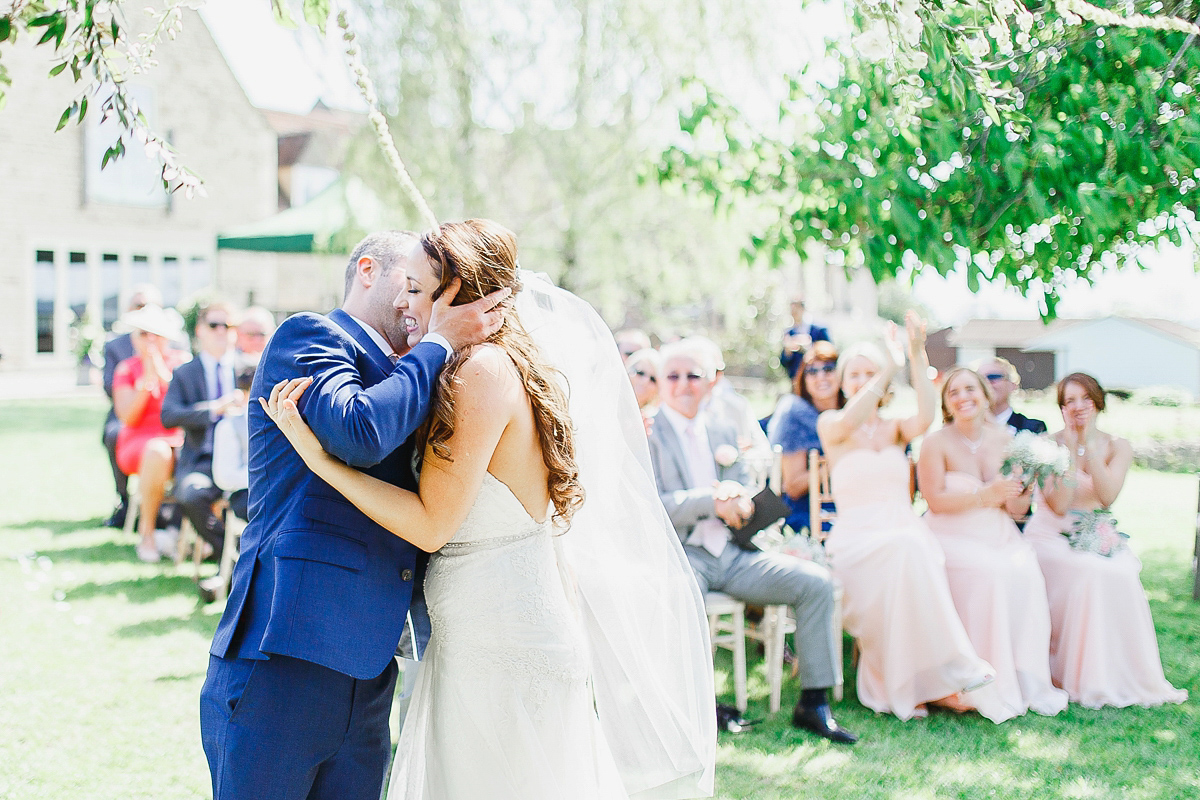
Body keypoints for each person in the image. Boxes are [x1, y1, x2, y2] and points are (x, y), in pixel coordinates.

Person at [258, 220, 715, 800]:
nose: (404, 300)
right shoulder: (493, 366)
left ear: (461, 296)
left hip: (499, 642)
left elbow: (431, 525)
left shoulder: (479, 372)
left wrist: (320, 461)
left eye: (420, 289)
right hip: (485, 630)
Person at [200, 230, 508, 800]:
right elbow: (359, 431)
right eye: (412, 285)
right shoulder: (310, 335)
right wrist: (438, 345)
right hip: (284, 653)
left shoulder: (419, 373)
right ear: (368, 270)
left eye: (435, 292)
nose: (422, 304)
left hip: (370, 669)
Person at [647, 337, 854, 744]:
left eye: (694, 375)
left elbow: (743, 479)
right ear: (660, 381)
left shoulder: (725, 427)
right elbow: (649, 505)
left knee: (816, 584)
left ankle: (814, 703)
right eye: (673, 376)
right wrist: (712, 501)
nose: (684, 384)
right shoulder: (645, 433)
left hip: (735, 553)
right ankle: (696, 704)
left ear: (711, 382)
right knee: (678, 597)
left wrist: (741, 497)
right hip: (682, 554)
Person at [817, 313, 1003, 721]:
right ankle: (939, 675)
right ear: (844, 382)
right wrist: (887, 366)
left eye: (871, 372)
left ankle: (933, 682)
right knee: (908, 550)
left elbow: (926, 415)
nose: (865, 380)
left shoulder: (895, 429)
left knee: (913, 548)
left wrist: (915, 354)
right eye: (856, 373)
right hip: (856, 539)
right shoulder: (833, 426)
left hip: (902, 530)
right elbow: (851, 417)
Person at [1024, 372, 1188, 708]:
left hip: (1094, 534)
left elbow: (1107, 495)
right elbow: (1058, 506)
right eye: (1069, 401)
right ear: (1061, 408)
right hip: (1050, 535)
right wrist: (1070, 450)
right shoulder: (1048, 445)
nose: (1078, 407)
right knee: (1087, 573)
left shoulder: (1118, 445)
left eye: (1085, 398)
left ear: (1098, 402)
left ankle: (1114, 673)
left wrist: (1091, 449)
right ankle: (1070, 674)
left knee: (1123, 572)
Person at [918, 367, 1069, 719]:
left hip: (999, 533)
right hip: (949, 532)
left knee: (1026, 570)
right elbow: (935, 500)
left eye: (970, 389)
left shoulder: (1008, 440)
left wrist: (1024, 489)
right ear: (946, 403)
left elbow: (1016, 511)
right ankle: (977, 677)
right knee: (989, 573)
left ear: (986, 396)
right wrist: (984, 496)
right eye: (953, 392)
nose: (963, 397)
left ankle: (1018, 676)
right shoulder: (935, 442)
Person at [160, 301, 245, 562]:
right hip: (202, 461)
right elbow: (168, 415)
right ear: (200, 330)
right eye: (213, 325)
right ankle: (230, 559)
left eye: (227, 325)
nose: (221, 331)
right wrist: (214, 409)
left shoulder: (250, 367)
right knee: (190, 494)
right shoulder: (186, 372)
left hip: (244, 461)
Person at [110, 304, 190, 562]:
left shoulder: (181, 362)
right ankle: (147, 534)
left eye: (156, 334)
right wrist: (146, 380)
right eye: (144, 333)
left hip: (178, 436)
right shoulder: (126, 369)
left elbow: (183, 403)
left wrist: (160, 371)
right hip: (140, 440)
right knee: (157, 451)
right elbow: (128, 417)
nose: (150, 340)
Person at [101, 284, 163, 528]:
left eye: (150, 305)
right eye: (139, 305)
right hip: (126, 408)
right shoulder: (116, 346)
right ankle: (124, 498)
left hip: (163, 414)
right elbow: (109, 388)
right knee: (114, 434)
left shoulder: (172, 345)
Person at [768, 341, 844, 535]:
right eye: (812, 372)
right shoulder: (795, 417)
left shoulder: (853, 414)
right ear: (803, 378)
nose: (821, 377)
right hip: (809, 511)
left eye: (828, 369)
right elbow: (793, 486)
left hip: (853, 501)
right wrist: (837, 459)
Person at [978, 357, 1046, 433]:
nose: (986, 382)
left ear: (1012, 385)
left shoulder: (1033, 427)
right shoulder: (966, 428)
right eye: (980, 379)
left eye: (993, 376)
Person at [779, 295, 830, 379]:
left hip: (818, 378)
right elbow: (784, 363)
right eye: (792, 312)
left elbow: (830, 353)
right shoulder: (789, 333)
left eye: (796, 311)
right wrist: (787, 352)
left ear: (803, 309)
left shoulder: (819, 330)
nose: (794, 314)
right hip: (797, 380)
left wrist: (810, 347)